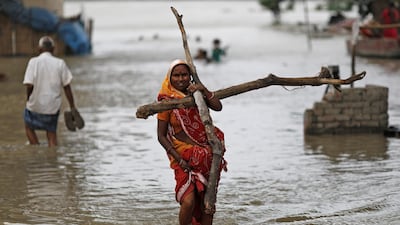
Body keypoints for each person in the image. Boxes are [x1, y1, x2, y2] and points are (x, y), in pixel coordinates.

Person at [157, 59, 227, 225]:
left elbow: (218, 106)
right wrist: (179, 159)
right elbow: (161, 135)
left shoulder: (197, 94)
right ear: (170, 77)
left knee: (207, 204)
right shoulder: (165, 100)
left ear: (190, 76)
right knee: (188, 202)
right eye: (176, 75)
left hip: (207, 156)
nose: (181, 79)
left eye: (184, 75)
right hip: (182, 156)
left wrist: (203, 90)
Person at [23, 36, 78, 147]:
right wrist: (72, 107)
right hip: (52, 108)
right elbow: (67, 87)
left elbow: (29, 85)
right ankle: (52, 158)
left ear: (39, 49)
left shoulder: (33, 62)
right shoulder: (60, 63)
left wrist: (28, 99)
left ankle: (35, 147)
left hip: (35, 105)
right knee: (51, 133)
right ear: (53, 49)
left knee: (28, 127)